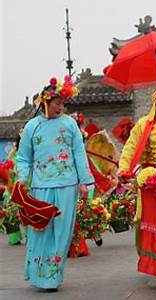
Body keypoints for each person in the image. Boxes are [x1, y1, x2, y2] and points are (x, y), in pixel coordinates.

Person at [16, 76, 94, 292]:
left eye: (62, 103)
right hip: (40, 186)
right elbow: (23, 158)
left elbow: (79, 153)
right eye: (57, 103)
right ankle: (38, 274)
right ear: (45, 102)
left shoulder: (69, 124)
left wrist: (84, 181)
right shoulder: (32, 127)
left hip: (67, 186)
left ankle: (53, 277)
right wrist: (22, 179)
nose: (61, 107)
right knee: (40, 231)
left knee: (61, 232)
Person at [119, 88, 156, 276]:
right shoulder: (144, 124)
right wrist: (124, 168)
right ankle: (149, 255)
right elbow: (131, 147)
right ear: (155, 103)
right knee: (143, 218)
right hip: (151, 177)